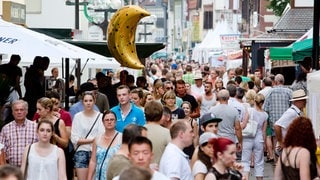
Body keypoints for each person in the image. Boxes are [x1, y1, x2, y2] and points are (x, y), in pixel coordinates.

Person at [71, 91, 104, 180]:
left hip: (96, 152)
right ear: (82, 102)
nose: (88, 103)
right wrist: (93, 139)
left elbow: (101, 136)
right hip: (81, 152)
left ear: (94, 101)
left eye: (90, 100)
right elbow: (74, 139)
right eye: (86, 101)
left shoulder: (100, 116)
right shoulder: (78, 117)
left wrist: (85, 140)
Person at [0, 100, 38, 167]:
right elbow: (1, 150)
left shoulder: (36, 127)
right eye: (16, 110)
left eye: (21, 110)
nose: (19, 112)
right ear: (12, 112)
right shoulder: (5, 129)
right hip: (12, 169)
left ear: (26, 111)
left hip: (32, 168)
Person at [87, 110, 122, 180]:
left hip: (116, 176)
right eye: (107, 120)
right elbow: (93, 161)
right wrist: (89, 177)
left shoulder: (122, 138)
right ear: (103, 122)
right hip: (99, 176)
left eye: (112, 119)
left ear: (116, 121)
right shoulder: (97, 139)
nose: (109, 122)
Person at [241, 94, 268, 180]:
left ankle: (245, 178)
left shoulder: (249, 111)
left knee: (245, 161)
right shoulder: (265, 115)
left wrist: (238, 127)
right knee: (259, 162)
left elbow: (244, 125)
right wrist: (264, 143)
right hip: (259, 139)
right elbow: (264, 131)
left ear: (254, 101)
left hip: (248, 138)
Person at [144, 101, 171, 165]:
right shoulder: (166, 133)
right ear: (161, 115)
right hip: (160, 171)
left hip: (141, 171)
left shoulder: (137, 131)